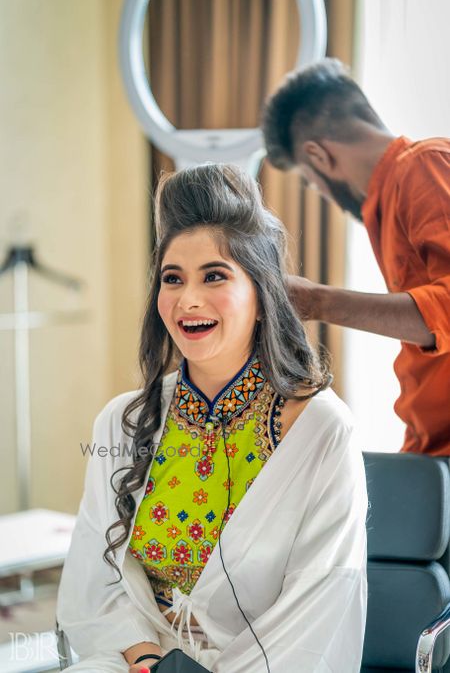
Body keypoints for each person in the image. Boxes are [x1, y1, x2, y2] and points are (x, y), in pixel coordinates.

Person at [56, 164, 367, 673]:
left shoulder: (321, 431)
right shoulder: (123, 422)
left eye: (214, 276)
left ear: (263, 295)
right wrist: (149, 660)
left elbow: (320, 606)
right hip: (140, 658)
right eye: (172, 279)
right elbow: (99, 579)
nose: (188, 299)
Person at [261, 57, 450, 456]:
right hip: (428, 446)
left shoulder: (424, 165)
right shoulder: (389, 205)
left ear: (319, 156)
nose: (324, 193)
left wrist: (317, 301)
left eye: (313, 183)